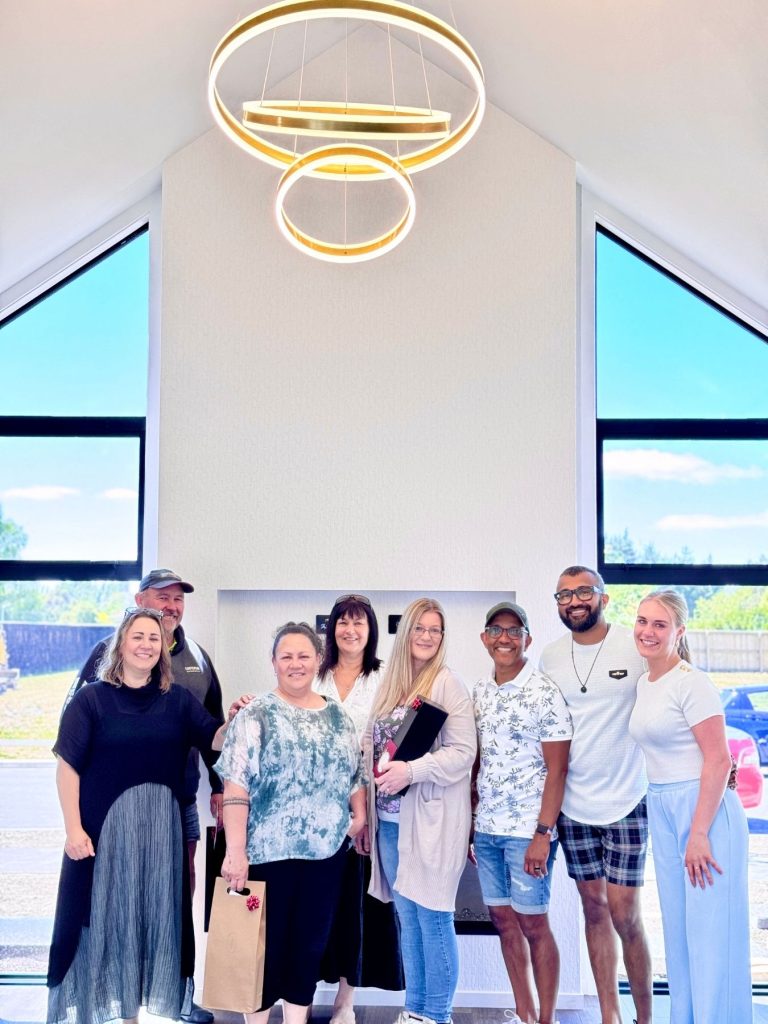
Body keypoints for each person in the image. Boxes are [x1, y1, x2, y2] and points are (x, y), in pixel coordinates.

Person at [47, 607, 238, 1024]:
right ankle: (105, 1009)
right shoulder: (91, 699)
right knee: (103, 917)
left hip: (161, 834)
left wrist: (235, 721)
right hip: (103, 833)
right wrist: (72, 829)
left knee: (153, 918)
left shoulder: (178, 701)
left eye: (154, 638)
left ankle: (134, 1015)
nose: (146, 644)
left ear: (162, 649)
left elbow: (215, 739)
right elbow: (67, 767)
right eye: (138, 636)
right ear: (121, 643)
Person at [216, 621, 367, 1024]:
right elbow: (235, 787)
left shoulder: (338, 717)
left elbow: (354, 775)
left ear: (318, 660)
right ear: (274, 662)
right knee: (261, 955)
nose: (295, 664)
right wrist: (235, 853)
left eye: (304, 656)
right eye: (287, 656)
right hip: (265, 856)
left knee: (307, 951)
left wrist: (360, 816)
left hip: (325, 858)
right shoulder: (256, 715)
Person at [629, 589, 751, 1023]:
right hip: (662, 808)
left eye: (659, 624)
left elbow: (719, 760)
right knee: (679, 934)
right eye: (642, 621)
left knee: (711, 936)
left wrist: (698, 833)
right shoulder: (645, 682)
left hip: (705, 814)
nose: (648, 631)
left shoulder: (692, 682)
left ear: (679, 632)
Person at [539, 566, 651, 1024]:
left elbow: (671, 697)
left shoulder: (634, 645)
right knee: (593, 907)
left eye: (583, 591)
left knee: (625, 913)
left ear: (603, 597)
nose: (574, 600)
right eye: (564, 594)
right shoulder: (549, 656)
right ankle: (610, 1014)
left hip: (627, 798)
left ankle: (645, 1016)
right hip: (574, 805)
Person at [361, 597, 476, 1024]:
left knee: (434, 917)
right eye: (420, 628)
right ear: (406, 632)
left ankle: (437, 1014)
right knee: (408, 920)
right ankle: (415, 1011)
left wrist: (412, 770)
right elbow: (374, 750)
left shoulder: (447, 683)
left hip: (431, 824)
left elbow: (463, 753)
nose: (427, 636)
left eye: (435, 630)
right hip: (389, 825)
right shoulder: (391, 685)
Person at [472, 602, 572, 1024]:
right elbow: (476, 762)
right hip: (487, 830)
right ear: (485, 639)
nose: (505, 638)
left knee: (534, 925)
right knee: (503, 922)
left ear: (527, 638)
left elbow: (558, 769)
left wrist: (542, 833)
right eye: (496, 630)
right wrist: (470, 826)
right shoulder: (479, 691)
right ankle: (525, 1014)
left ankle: (545, 1020)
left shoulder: (544, 692)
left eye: (514, 631)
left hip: (527, 832)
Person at [315, 594, 404, 1024]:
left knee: (355, 904)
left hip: (368, 799)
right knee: (314, 899)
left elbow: (394, 741)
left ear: (371, 632)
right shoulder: (313, 674)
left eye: (359, 624)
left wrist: (367, 809)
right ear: (332, 630)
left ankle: (344, 1001)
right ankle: (301, 990)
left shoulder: (385, 678)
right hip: (312, 802)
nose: (350, 631)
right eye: (343, 623)